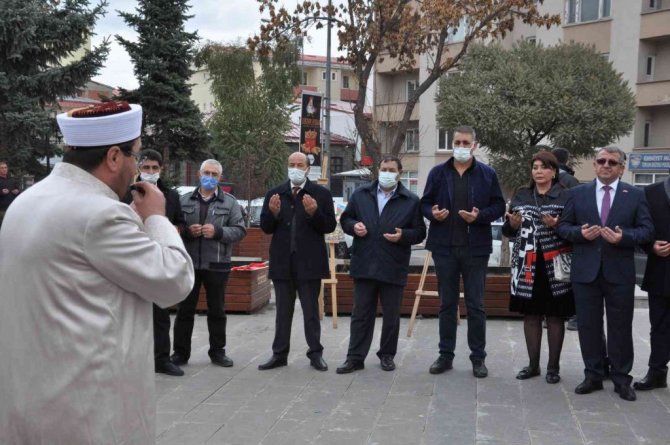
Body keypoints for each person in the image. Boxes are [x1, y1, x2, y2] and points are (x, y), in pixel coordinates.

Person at [0, 101, 195, 443]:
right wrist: (156, 217)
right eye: (135, 156)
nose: (136, 170)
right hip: (88, 411)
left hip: (29, 402)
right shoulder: (102, 214)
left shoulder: (27, 201)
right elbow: (175, 281)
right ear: (114, 157)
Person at [557, 146, 653, 402]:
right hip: (585, 271)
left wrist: (624, 237)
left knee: (620, 327)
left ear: (622, 167)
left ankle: (621, 378)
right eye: (601, 161)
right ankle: (593, 375)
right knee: (588, 325)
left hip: (619, 272)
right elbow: (564, 227)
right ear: (595, 165)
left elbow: (646, 231)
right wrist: (580, 234)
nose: (606, 165)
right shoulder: (577, 193)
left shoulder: (635, 195)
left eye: (612, 162)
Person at [420, 125, 506, 378]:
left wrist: (480, 217)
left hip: (475, 249)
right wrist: (432, 213)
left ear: (474, 145)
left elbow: (499, 206)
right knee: (446, 304)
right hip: (444, 248)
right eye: (457, 142)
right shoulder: (438, 172)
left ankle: (478, 358)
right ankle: (445, 355)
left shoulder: (487, 174)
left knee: (476, 305)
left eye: (466, 143)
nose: (460, 147)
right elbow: (424, 203)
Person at [336, 156, 426, 374]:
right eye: (384, 169)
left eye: (391, 170)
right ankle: (355, 357)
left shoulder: (411, 200)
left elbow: (420, 232)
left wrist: (403, 235)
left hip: (393, 264)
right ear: (378, 170)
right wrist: (353, 226)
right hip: (364, 263)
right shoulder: (361, 194)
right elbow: (346, 219)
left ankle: (387, 355)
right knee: (361, 314)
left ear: (399, 173)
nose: (387, 173)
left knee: (391, 315)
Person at [258, 151, 337, 371]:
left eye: (299, 164)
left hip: (309, 264)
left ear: (307, 168)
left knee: (311, 313)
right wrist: (272, 213)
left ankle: (315, 354)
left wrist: (314, 213)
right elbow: (266, 227)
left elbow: (329, 226)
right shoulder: (275, 193)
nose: (295, 168)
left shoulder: (320, 194)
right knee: (283, 313)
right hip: (283, 263)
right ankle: (279, 354)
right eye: (291, 164)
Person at [503, 151, 575, 384]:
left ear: (553, 171)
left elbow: (574, 229)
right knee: (531, 315)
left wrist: (557, 225)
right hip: (527, 264)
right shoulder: (522, 194)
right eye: (535, 167)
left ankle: (553, 368)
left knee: (555, 317)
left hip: (556, 265)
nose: (538, 171)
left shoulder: (566, 195)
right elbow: (507, 230)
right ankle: (533, 365)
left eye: (544, 167)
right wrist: (513, 225)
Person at [170, 159, 246, 369]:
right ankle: (180, 353)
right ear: (199, 174)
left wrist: (218, 232)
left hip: (218, 264)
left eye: (214, 174)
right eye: (207, 173)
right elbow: (173, 227)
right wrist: (187, 232)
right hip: (189, 264)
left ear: (220, 178)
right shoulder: (184, 200)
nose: (210, 177)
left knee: (217, 310)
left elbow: (240, 230)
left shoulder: (230, 202)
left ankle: (218, 352)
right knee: (185, 310)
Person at [123, 149, 187, 376]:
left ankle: (161, 359)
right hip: (133, 257)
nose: (150, 172)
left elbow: (180, 222)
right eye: (146, 167)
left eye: (154, 168)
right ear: (138, 168)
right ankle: (132, 360)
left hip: (158, 257)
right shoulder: (126, 193)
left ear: (161, 169)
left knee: (160, 314)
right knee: (131, 312)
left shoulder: (170, 195)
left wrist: (177, 229)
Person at [634, 172, 670, 391]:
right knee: (658, 325)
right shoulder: (650, 192)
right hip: (660, 271)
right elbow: (642, 228)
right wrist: (651, 246)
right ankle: (657, 373)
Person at [0, 160, 20, 226]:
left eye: (5, 167)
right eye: (2, 168)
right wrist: (2, 192)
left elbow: (18, 190)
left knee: (12, 225)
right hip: (2, 209)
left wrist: (17, 191)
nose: (4, 169)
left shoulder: (12, 180)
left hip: (12, 208)